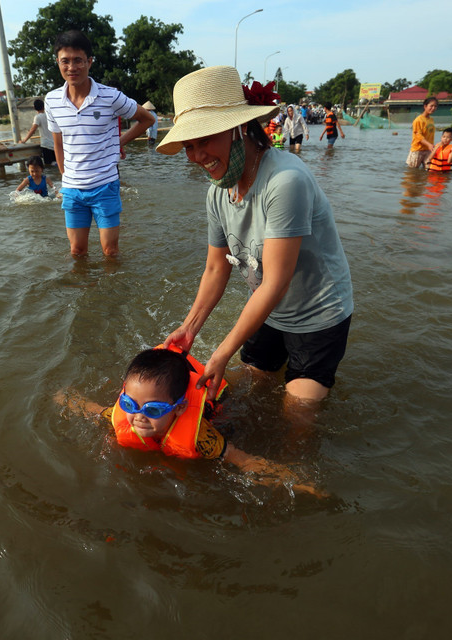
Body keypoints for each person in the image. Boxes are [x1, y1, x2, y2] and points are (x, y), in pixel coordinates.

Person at [156, 66, 354, 409]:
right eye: (189, 146)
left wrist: (221, 352)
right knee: (252, 392)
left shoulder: (285, 181)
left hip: (318, 315)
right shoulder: (217, 194)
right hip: (268, 312)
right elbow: (217, 269)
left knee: (298, 414)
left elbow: (275, 282)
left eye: (206, 140)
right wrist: (189, 329)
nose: (198, 156)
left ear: (241, 128)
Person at [55, 346, 325, 496]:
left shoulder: (202, 438)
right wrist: (62, 397)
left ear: (179, 408)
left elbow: (243, 460)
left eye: (153, 409)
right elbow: (89, 408)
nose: (138, 416)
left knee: (256, 383)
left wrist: (301, 484)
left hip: (221, 403)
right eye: (129, 404)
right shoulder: (124, 418)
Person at [45, 30, 156, 257]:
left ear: (89, 62)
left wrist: (119, 142)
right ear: (58, 62)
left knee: (110, 251)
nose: (72, 67)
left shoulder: (110, 96)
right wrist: (66, 177)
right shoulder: (52, 100)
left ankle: (113, 292)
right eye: (65, 61)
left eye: (78, 60)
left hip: (105, 185)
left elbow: (147, 119)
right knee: (77, 251)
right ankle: (83, 290)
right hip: (73, 190)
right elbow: (58, 143)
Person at [19, 99, 56, 167]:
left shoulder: (38, 117)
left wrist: (24, 140)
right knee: (55, 165)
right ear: (44, 106)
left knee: (48, 166)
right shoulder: (50, 115)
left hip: (46, 145)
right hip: (54, 145)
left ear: (35, 108)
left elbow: (33, 130)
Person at [407, 96, 438, 169]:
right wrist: (429, 145)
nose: (433, 108)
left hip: (428, 150)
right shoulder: (418, 120)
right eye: (431, 106)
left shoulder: (431, 120)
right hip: (417, 150)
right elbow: (419, 136)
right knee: (412, 172)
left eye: (435, 106)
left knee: (429, 170)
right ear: (425, 106)